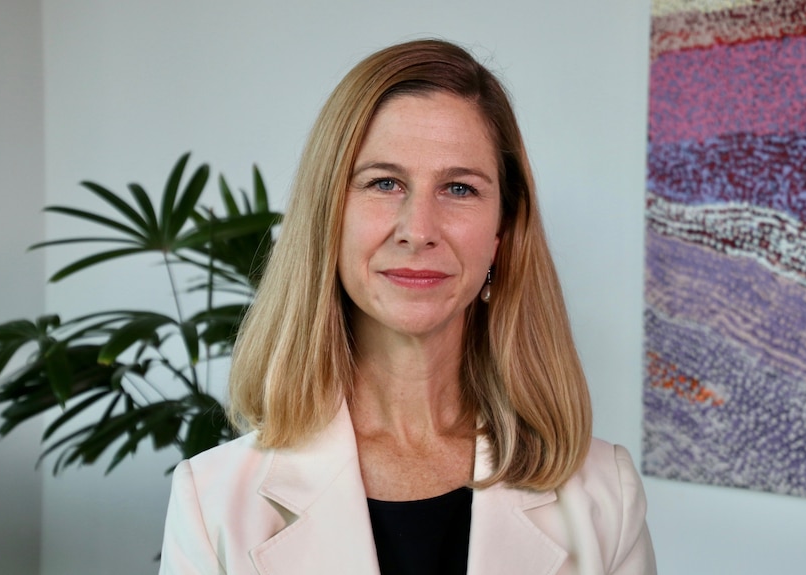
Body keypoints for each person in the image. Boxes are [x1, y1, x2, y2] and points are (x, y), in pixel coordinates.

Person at [159, 39, 656, 575]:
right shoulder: (211, 499)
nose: (418, 230)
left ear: (501, 232)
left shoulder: (607, 492)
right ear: (328, 216)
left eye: (460, 188)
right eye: (385, 183)